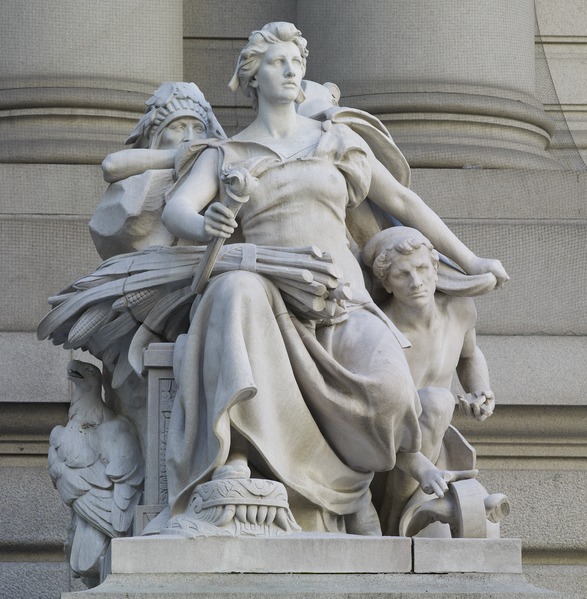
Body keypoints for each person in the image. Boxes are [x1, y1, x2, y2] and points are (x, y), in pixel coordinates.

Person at [157, 22, 508, 535]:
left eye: (297, 60)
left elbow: (404, 204)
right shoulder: (227, 154)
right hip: (270, 291)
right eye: (278, 61)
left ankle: (353, 492)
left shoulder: (335, 141)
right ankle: (238, 465)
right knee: (233, 290)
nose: (292, 69)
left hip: (341, 296)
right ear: (251, 77)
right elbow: (177, 211)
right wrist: (203, 222)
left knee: (391, 393)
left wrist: (470, 260)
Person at [363, 226, 502, 534]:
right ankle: (392, 523)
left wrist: (479, 389)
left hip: (435, 446)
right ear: (385, 283)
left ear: (435, 267)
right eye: (402, 275)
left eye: (423, 268)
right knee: (436, 401)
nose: (417, 282)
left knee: (438, 403)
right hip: (390, 458)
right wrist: (420, 468)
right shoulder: (380, 333)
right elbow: (375, 422)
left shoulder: (460, 309)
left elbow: (469, 355)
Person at [89, 82, 225, 259]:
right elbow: (111, 166)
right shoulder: (138, 173)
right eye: (178, 127)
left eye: (198, 129)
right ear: (158, 134)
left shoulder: (210, 176)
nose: (190, 138)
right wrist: (185, 155)